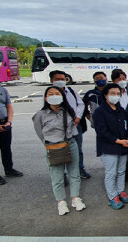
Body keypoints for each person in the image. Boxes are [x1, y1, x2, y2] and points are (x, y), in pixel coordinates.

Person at [32, 87, 85, 215]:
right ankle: (61, 202)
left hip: (70, 144)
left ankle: (75, 198)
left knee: (74, 172)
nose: (54, 96)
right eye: (51, 94)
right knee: (57, 176)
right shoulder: (40, 114)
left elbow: (73, 127)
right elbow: (40, 133)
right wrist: (49, 143)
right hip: (53, 147)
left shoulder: (67, 111)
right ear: (46, 98)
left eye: (57, 94)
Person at [92, 83, 128, 210]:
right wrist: (119, 141)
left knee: (121, 171)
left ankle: (121, 192)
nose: (116, 96)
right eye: (112, 94)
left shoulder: (121, 110)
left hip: (123, 146)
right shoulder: (99, 112)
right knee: (111, 173)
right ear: (105, 95)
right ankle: (112, 196)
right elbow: (102, 131)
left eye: (118, 94)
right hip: (109, 147)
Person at [49, 70, 90, 180]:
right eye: (57, 79)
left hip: (75, 126)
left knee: (77, 149)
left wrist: (77, 118)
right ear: (51, 80)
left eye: (62, 79)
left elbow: (81, 105)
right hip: (59, 129)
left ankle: (79, 169)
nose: (60, 81)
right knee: (60, 152)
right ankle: (61, 175)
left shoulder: (71, 91)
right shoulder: (50, 94)